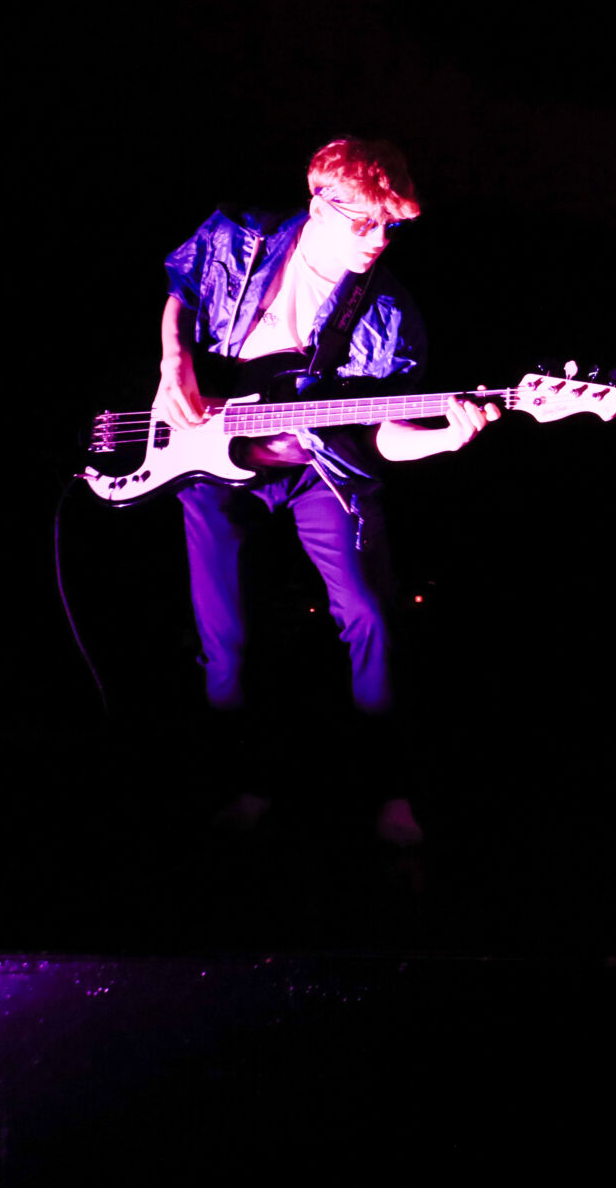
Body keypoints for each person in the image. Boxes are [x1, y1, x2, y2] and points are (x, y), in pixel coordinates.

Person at [155, 138, 499, 848]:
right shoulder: (240, 240)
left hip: (321, 466)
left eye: (390, 225)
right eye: (363, 223)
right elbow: (181, 293)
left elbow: (380, 435)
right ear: (319, 205)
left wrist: (443, 439)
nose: (378, 241)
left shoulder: (389, 313)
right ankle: (247, 785)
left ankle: (394, 793)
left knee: (371, 616)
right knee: (226, 642)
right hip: (210, 460)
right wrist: (174, 361)